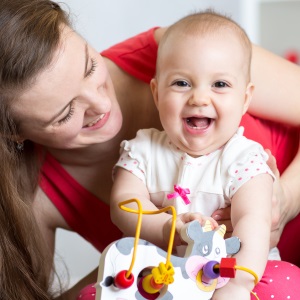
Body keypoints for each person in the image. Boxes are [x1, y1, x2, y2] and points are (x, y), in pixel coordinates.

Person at [0, 0, 300, 299]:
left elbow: (253, 225)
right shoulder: (140, 150)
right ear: (14, 132)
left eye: (90, 68)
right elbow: (128, 211)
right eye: (65, 113)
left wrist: (285, 200)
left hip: (260, 274)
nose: (102, 105)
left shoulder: (190, 49)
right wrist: (163, 239)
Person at [110, 11, 296, 299]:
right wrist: (166, 228)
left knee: (288, 283)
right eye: (182, 83)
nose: (199, 97)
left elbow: (252, 222)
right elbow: (124, 204)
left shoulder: (245, 159)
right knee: (98, 292)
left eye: (219, 84)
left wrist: (236, 285)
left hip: (235, 275)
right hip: (159, 276)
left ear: (245, 99)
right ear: (157, 94)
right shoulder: (141, 150)